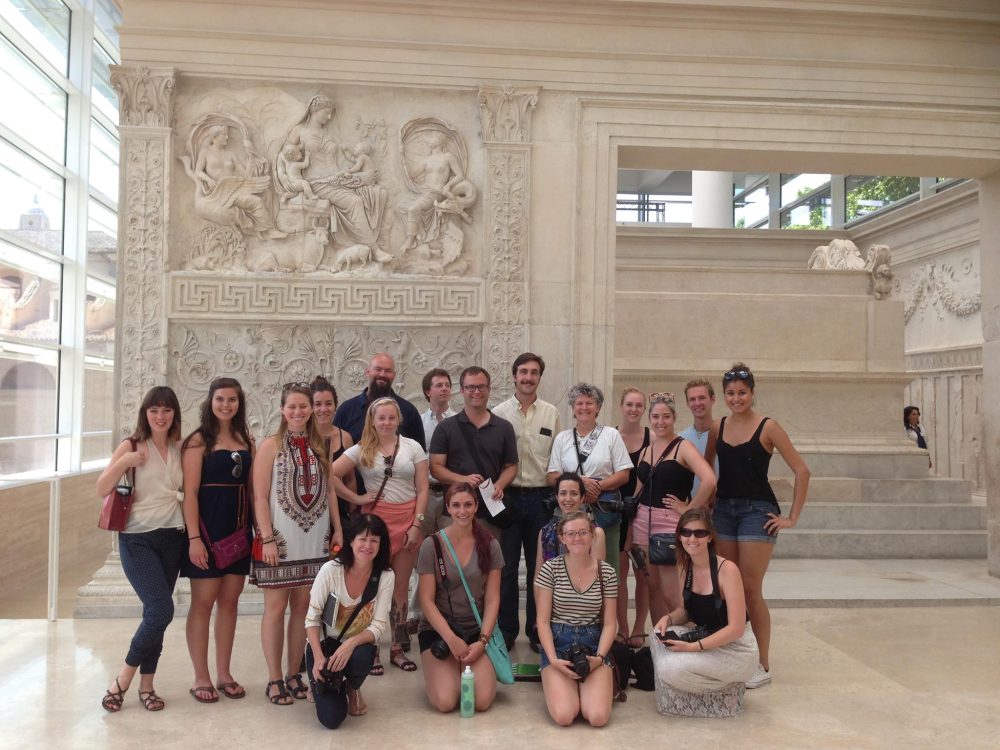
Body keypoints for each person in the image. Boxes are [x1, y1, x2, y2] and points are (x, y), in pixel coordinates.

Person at [706, 363, 809, 689]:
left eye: (742, 393)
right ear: (724, 396)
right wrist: (704, 504)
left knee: (750, 589)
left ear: (752, 393)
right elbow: (709, 469)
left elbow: (802, 471)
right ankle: (732, 651)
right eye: (731, 394)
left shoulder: (768, 427)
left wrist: (792, 517)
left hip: (757, 512)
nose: (736, 398)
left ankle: (762, 663)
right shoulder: (717, 427)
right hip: (723, 511)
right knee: (726, 587)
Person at [252, 383, 343, 705]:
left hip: (314, 541)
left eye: (304, 406)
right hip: (280, 540)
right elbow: (260, 497)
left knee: (304, 610)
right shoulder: (269, 446)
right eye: (292, 407)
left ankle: (294, 673)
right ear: (282, 409)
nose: (299, 412)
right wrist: (267, 539)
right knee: (275, 610)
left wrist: (338, 529)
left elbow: (330, 489)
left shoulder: (322, 445)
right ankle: (274, 678)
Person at [97, 386, 185, 713]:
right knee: (162, 610)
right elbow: (102, 487)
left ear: (174, 414)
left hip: (172, 537)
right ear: (145, 414)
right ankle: (123, 679)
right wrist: (127, 462)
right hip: (137, 539)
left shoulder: (179, 448)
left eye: (166, 410)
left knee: (155, 614)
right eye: (154, 410)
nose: (160, 417)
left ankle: (148, 687)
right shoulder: (131, 445)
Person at [331, 397, 429, 673]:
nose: (386, 422)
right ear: (372, 421)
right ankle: (369, 648)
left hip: (407, 519)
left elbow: (422, 488)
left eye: (391, 417)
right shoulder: (363, 448)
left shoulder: (413, 448)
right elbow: (331, 475)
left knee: (400, 586)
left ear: (399, 419)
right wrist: (357, 497)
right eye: (381, 418)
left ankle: (397, 647)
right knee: (370, 586)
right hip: (375, 523)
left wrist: (417, 524)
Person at [180, 377, 254, 703]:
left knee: (230, 601)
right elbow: (190, 494)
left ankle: (224, 673)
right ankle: (201, 676)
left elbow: (252, 490)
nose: (226, 405)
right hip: (208, 531)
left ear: (239, 403)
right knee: (203, 602)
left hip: (239, 530)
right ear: (210, 401)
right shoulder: (198, 441)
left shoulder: (246, 440)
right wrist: (195, 538)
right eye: (221, 399)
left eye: (232, 400)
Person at [492, 352, 561, 652]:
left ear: (539, 377)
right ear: (514, 375)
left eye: (534, 372)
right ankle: (507, 631)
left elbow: (558, 458)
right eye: (523, 372)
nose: (528, 377)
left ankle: (537, 630)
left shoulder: (552, 413)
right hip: (507, 497)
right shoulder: (499, 412)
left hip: (540, 499)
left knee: (540, 569)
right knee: (505, 569)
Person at [651, 507, 758, 696]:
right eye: (686, 532)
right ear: (679, 536)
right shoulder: (685, 566)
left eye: (699, 533)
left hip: (737, 648)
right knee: (657, 635)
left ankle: (727, 691)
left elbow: (737, 628)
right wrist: (667, 618)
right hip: (708, 638)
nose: (692, 539)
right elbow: (686, 611)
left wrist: (693, 648)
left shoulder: (728, 570)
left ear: (710, 537)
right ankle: (711, 686)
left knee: (670, 669)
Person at [416, 483, 503, 713]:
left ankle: (464, 664)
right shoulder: (431, 545)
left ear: (476, 507)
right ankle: (444, 669)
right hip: (440, 631)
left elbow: (493, 599)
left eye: (467, 505)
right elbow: (426, 600)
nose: (462, 511)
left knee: (482, 701)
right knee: (446, 702)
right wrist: (451, 639)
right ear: (447, 508)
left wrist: (483, 640)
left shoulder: (491, 545)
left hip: (476, 630)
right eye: (456, 505)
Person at [631, 393, 716, 626]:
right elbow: (640, 486)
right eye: (656, 416)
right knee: (652, 586)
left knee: (672, 591)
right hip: (642, 522)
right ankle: (664, 639)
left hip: (669, 522)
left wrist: (688, 510)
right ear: (649, 418)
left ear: (674, 417)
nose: (661, 422)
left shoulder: (683, 447)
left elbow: (709, 480)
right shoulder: (648, 450)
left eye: (666, 417)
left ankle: (689, 635)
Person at [305, 514, 395, 728]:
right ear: (351, 541)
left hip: (355, 650)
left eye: (374, 540)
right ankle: (314, 680)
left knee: (364, 655)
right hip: (325, 648)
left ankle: (353, 687)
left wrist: (350, 644)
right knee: (332, 719)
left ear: (381, 545)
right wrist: (318, 658)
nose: (367, 545)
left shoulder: (385, 576)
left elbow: (379, 626)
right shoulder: (331, 571)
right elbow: (311, 620)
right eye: (362, 539)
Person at [534, 510, 617, 727]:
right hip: (558, 640)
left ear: (592, 535)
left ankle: (589, 688)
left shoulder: (606, 572)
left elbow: (609, 623)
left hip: (593, 641)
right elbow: (542, 621)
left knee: (598, 717)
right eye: (571, 534)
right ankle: (567, 687)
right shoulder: (550, 569)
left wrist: (599, 657)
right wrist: (552, 659)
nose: (577, 539)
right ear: (562, 538)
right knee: (565, 715)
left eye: (582, 533)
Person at [547, 383, 632, 577]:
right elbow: (552, 476)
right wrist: (580, 484)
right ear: (573, 408)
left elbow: (623, 474)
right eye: (579, 403)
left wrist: (595, 489)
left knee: (607, 569)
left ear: (598, 407)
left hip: (602, 510)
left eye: (589, 403)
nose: (584, 407)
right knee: (569, 567)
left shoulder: (611, 435)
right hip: (569, 511)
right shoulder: (562, 438)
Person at [429, 366, 518, 539]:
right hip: (454, 512)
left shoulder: (504, 427)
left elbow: (511, 466)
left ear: (489, 389)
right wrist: (463, 479)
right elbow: (435, 468)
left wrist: (500, 484)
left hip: (490, 513)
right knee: (452, 563)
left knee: (488, 563)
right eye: (470, 387)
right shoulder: (445, 428)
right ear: (462, 390)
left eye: (481, 387)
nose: (476, 392)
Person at [616, 386, 650, 649]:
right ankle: (622, 628)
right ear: (621, 406)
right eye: (629, 404)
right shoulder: (610, 436)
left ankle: (639, 627)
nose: (634, 410)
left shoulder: (652, 436)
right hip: (616, 513)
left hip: (643, 514)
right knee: (618, 575)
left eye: (639, 405)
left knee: (642, 574)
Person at [333, 352, 426, 447]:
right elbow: (334, 447)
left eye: (388, 371)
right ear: (367, 371)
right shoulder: (346, 410)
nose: (382, 374)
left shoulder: (409, 411)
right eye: (378, 369)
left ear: (394, 375)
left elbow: (419, 450)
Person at [311, 376, 355, 529]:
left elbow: (350, 479)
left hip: (340, 512)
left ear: (335, 406)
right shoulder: (301, 438)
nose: (323, 409)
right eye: (317, 404)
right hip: (310, 512)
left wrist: (353, 512)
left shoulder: (346, 438)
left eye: (328, 403)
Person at [536, 473, 606, 566]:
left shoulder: (595, 533)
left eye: (574, 494)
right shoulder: (545, 532)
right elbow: (539, 576)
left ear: (582, 498)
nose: (568, 499)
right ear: (557, 497)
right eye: (563, 493)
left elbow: (597, 574)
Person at [419, 367, 456, 534]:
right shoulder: (418, 422)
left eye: (447, 385)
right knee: (422, 547)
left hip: (451, 493)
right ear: (428, 391)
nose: (444, 388)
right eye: (439, 385)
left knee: (450, 546)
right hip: (425, 493)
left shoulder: (460, 422)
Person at [679, 378, 720, 498]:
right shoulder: (681, 438)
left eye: (702, 398)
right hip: (691, 510)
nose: (697, 403)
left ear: (712, 399)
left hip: (721, 510)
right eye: (692, 399)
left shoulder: (725, 435)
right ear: (687, 404)